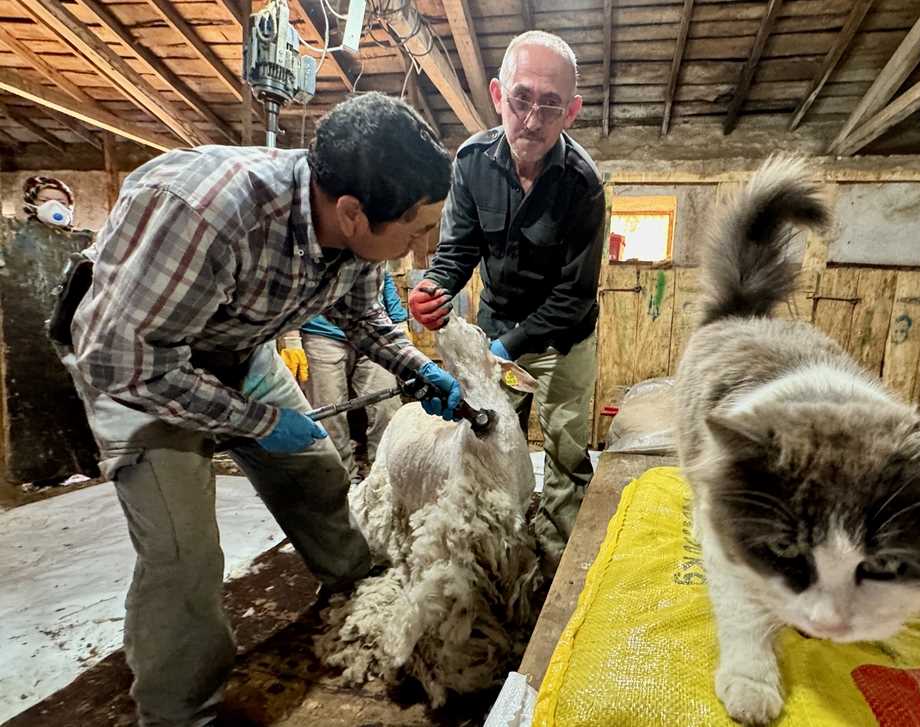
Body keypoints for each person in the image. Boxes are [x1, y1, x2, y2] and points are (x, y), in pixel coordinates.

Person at [57, 93, 461, 727]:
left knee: (316, 473)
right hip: (135, 361)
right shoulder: (208, 212)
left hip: (236, 345)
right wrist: (259, 422)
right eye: (416, 231)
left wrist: (418, 367)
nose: (423, 247)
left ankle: (358, 588)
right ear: (353, 213)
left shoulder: (352, 228)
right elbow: (123, 360)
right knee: (182, 551)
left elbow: (361, 315)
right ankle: (178, 709)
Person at [407, 31, 604, 573]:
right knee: (487, 437)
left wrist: (503, 346)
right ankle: (497, 547)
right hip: (499, 324)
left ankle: (556, 560)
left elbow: (574, 293)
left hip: (563, 336)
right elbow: (458, 249)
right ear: (498, 95)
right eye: (521, 98)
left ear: (571, 112)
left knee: (565, 445)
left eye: (550, 105)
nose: (532, 118)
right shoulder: (471, 162)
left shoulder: (583, 183)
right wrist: (435, 288)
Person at [279, 270, 410, 480]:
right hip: (322, 333)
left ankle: (384, 478)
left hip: (371, 330)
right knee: (329, 415)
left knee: (387, 407)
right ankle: (341, 481)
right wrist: (292, 337)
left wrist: (399, 321)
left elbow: (383, 276)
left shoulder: (379, 243)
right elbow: (295, 280)